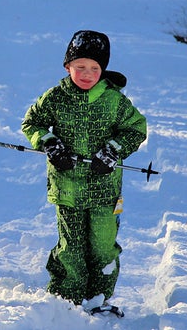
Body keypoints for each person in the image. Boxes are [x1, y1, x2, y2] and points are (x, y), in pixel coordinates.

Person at [21, 30, 146, 315]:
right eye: (80, 67)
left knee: (102, 246)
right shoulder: (55, 98)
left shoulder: (114, 101)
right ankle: (68, 298)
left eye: (94, 68)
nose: (87, 74)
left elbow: (136, 129)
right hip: (67, 189)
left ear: (103, 70)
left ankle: (97, 298)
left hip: (105, 192)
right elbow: (32, 122)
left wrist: (113, 150)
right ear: (68, 67)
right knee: (71, 247)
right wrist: (49, 143)